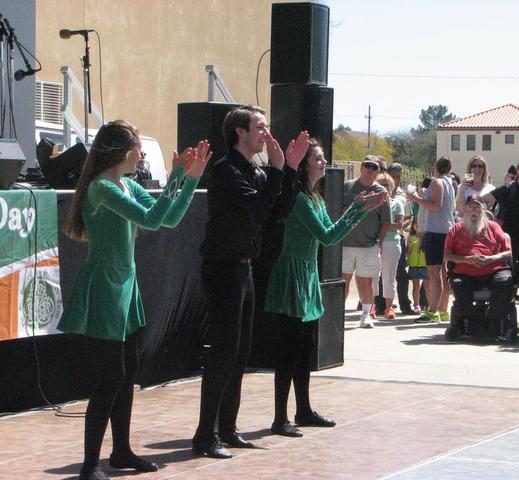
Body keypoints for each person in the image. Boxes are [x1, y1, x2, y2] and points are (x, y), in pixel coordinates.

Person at [57, 120, 211, 480]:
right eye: (139, 147)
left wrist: (188, 178)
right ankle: (90, 464)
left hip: (125, 285)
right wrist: (180, 178)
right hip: (104, 287)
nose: (142, 154)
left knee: (126, 376)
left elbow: (168, 218)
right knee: (111, 377)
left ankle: (121, 451)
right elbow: (152, 219)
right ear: (123, 151)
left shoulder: (126, 185)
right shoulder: (102, 190)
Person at [194, 105, 309, 459]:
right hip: (222, 267)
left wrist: (289, 169)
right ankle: (205, 435)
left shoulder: (255, 170)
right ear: (239, 133)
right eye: (260, 127)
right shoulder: (226, 169)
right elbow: (257, 209)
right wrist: (277, 169)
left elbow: (278, 211)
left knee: (240, 352)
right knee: (223, 352)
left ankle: (227, 429)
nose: (266, 133)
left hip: (243, 267)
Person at [264, 139, 385, 437]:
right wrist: (356, 210)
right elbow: (328, 237)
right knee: (289, 351)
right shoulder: (300, 199)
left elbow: (329, 235)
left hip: (306, 273)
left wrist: (359, 210)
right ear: (304, 164)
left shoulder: (316, 199)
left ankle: (303, 410)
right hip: (292, 272)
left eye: (323, 158)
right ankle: (280, 418)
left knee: (305, 350)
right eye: (317, 158)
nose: (323, 163)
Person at [444, 194, 512, 335]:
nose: (473, 210)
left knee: (505, 281)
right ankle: (472, 321)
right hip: (465, 272)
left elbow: (509, 253)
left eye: (477, 207)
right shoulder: (455, 229)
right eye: (470, 207)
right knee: (458, 283)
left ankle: (493, 320)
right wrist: (466, 259)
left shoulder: (494, 227)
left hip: (493, 269)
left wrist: (491, 259)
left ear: (483, 210)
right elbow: (446, 255)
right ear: (465, 210)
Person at [342, 155, 392, 328]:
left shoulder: (381, 192)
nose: (369, 170)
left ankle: (366, 315)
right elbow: (336, 212)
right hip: (345, 243)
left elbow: (386, 221)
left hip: (369, 244)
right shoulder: (346, 187)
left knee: (366, 281)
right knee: (344, 280)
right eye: (367, 166)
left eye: (374, 167)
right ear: (361, 167)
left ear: (378, 171)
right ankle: (338, 314)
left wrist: (379, 242)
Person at [408, 156, 456, 323]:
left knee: (434, 273)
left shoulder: (437, 182)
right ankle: (442, 311)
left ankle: (433, 311)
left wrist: (415, 198)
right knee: (442, 272)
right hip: (443, 231)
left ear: (436, 167)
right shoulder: (449, 182)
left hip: (436, 233)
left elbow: (435, 206)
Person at [376, 172, 404, 319]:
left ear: (391, 186)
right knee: (372, 276)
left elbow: (399, 225)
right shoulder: (372, 204)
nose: (384, 187)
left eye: (386, 184)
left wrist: (384, 225)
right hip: (373, 242)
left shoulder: (397, 203)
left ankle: (389, 307)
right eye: (381, 184)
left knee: (389, 276)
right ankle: (371, 306)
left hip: (392, 242)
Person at [386, 162, 413, 314]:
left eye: (398, 177)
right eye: (393, 176)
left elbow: (409, 217)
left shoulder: (403, 195)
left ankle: (405, 304)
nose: (395, 180)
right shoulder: (381, 191)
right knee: (383, 273)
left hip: (399, 236)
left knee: (401, 273)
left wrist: (401, 225)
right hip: (382, 238)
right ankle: (382, 304)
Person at [406, 217, 428, 314]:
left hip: (425, 264)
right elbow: (409, 252)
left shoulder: (427, 237)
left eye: (420, 223)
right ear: (413, 225)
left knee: (427, 286)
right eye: (415, 223)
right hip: (414, 264)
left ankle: (429, 305)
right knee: (416, 286)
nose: (417, 225)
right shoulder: (410, 237)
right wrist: (410, 246)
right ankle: (416, 305)